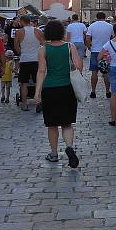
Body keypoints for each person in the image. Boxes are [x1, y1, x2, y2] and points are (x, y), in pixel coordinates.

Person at [34, 20, 82, 168]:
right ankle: (69, 147)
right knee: (67, 123)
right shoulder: (70, 46)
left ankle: (54, 154)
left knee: (52, 124)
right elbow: (79, 67)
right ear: (62, 32)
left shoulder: (43, 49)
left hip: (50, 88)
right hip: (67, 88)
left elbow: (42, 71)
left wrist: (37, 92)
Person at [14, 15, 44, 111]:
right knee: (38, 82)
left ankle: (24, 104)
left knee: (24, 83)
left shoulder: (19, 32)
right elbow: (43, 44)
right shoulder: (38, 31)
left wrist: (22, 52)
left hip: (24, 59)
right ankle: (39, 101)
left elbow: (16, 46)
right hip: (36, 59)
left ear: (22, 21)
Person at [99, 24, 116, 125]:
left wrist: (107, 57)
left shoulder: (108, 43)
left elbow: (99, 57)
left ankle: (113, 119)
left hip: (113, 68)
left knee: (115, 94)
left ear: (113, 32)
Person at [86, 12, 114, 99]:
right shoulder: (110, 26)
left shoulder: (92, 26)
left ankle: (93, 91)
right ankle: (107, 91)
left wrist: (89, 47)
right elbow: (113, 37)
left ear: (96, 17)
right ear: (105, 17)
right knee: (106, 73)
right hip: (106, 51)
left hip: (95, 50)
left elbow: (87, 38)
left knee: (94, 72)